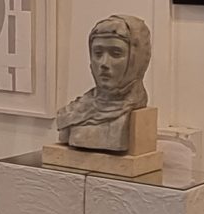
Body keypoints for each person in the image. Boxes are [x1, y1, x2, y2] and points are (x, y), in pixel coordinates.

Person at [54, 13, 150, 152]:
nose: (104, 63)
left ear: (136, 60)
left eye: (116, 54)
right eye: (98, 53)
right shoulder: (74, 112)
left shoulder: (132, 115)